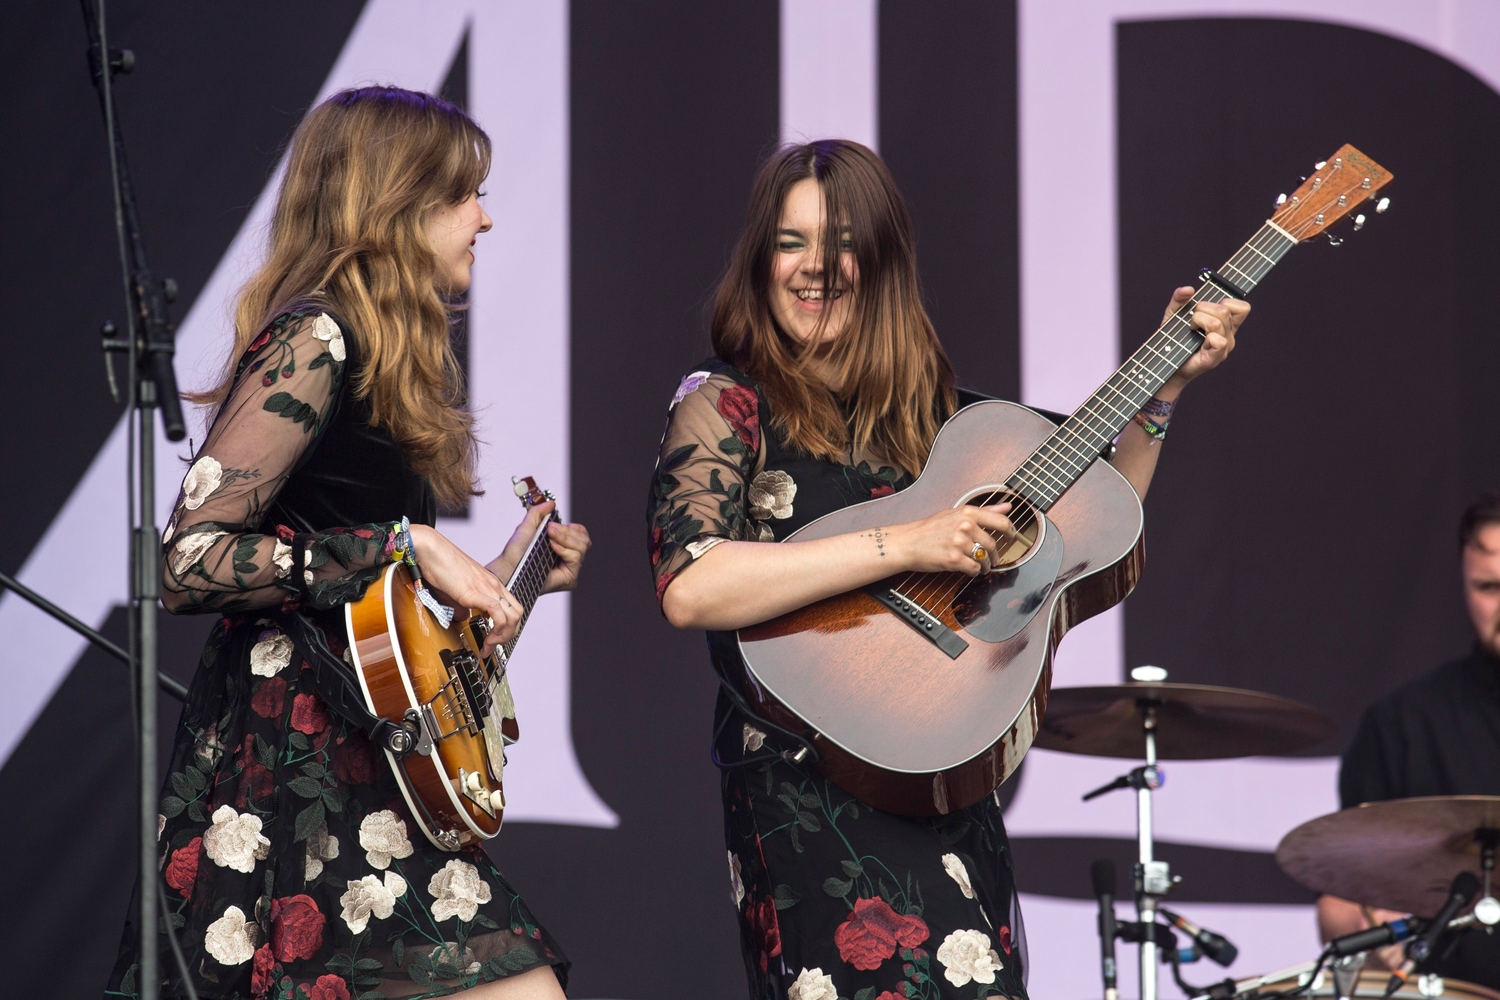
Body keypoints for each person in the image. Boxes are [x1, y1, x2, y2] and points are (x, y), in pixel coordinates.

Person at [645, 140, 1247, 1000]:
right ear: (760, 261)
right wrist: (911, 546)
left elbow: (1097, 518)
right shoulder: (726, 405)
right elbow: (692, 584)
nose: (816, 268)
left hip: (946, 791)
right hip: (805, 799)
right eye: (790, 242)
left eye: (842, 241)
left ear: (884, 261)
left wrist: (1163, 395)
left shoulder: (957, 427)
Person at [105, 87, 589, 1000]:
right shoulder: (314, 336)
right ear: (396, 203)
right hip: (295, 770)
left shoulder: (381, 351)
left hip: (370, 751)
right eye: (463, 195)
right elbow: (188, 557)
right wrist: (397, 546)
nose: (485, 217)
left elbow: (372, 612)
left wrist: (497, 584)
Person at [1316, 494, 1500, 989]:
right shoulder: (1403, 722)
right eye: (1489, 587)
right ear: (1464, 587)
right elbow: (1339, 902)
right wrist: (1370, 934)